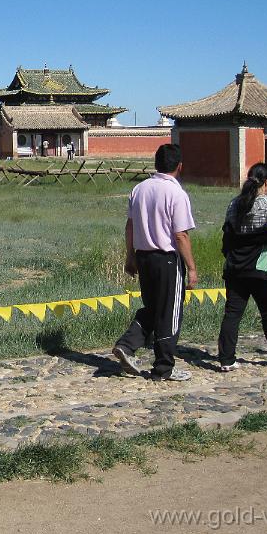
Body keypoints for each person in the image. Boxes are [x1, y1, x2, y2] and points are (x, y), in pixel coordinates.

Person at [113, 143, 197, 381]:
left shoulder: (139, 189)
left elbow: (130, 226)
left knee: (152, 308)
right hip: (167, 259)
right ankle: (164, 366)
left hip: (144, 257)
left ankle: (127, 345)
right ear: (180, 166)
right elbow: (180, 235)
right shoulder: (176, 193)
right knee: (169, 311)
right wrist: (191, 267)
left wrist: (130, 256)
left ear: (156, 164)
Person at [217, 162, 267, 371]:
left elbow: (227, 237)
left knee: (232, 314)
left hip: (235, 267)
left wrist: (231, 257)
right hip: (262, 268)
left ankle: (226, 359)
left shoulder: (234, 204)